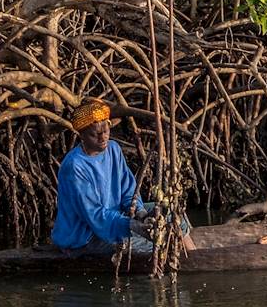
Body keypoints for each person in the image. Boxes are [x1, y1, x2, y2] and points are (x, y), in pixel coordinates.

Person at [50, 98, 195, 255]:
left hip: (115, 218)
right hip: (85, 237)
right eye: (95, 134)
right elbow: (95, 215)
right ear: (82, 135)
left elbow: (127, 190)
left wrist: (140, 212)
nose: (103, 138)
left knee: (171, 211)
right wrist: (131, 225)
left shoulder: (113, 149)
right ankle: (190, 262)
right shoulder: (74, 166)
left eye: (106, 131)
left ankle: (195, 255)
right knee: (157, 243)